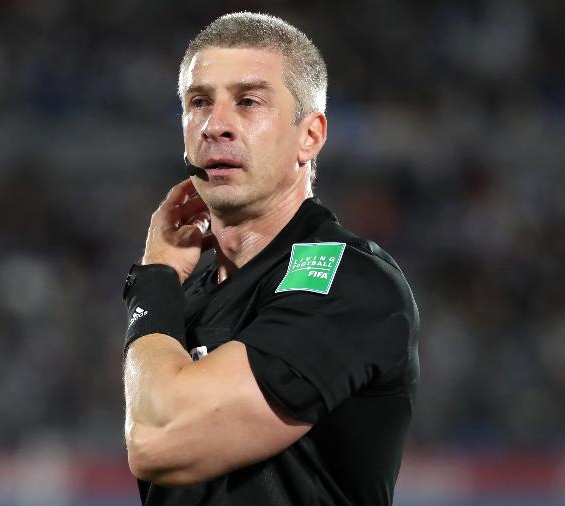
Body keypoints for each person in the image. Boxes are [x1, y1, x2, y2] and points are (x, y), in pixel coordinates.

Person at [121, 12, 420, 506]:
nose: (216, 126)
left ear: (311, 135)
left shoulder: (349, 282)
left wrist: (152, 281)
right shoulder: (182, 302)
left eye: (249, 102)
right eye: (199, 103)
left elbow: (160, 440)